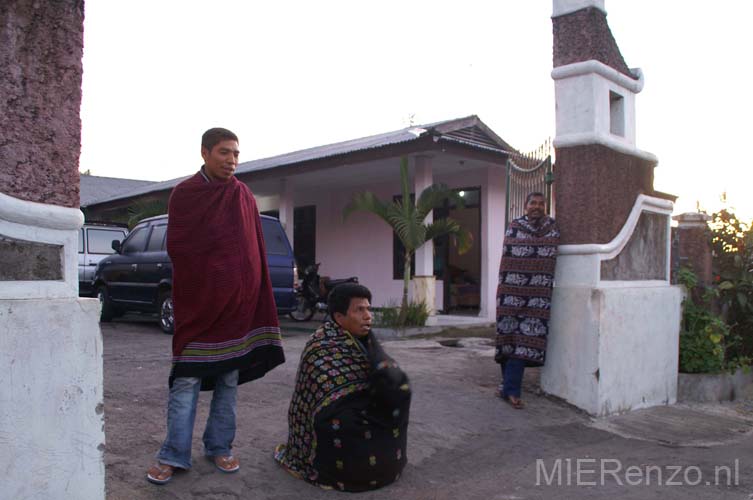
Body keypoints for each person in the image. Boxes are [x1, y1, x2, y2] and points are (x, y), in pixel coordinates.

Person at [146, 128, 285, 485]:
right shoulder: (185, 195)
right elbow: (180, 248)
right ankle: (173, 454)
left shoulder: (244, 196)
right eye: (225, 152)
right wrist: (216, 275)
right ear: (205, 153)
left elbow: (252, 249)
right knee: (186, 379)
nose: (232, 161)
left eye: (236, 154)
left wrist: (247, 289)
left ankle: (219, 446)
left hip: (236, 309)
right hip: (199, 306)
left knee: (227, 379)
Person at [274, 283, 411, 492]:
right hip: (330, 415)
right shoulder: (320, 345)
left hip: (359, 405)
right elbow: (321, 397)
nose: (368, 316)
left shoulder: (367, 340)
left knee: (397, 398)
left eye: (369, 309)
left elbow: (384, 376)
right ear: (339, 317)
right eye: (359, 310)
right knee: (346, 424)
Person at [495, 192, 560, 409]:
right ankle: (506, 386)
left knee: (522, 343)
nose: (537, 207)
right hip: (510, 294)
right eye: (533, 203)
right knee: (508, 338)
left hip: (536, 299)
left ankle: (511, 390)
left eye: (541, 204)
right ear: (525, 206)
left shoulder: (553, 228)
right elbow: (508, 258)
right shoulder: (514, 226)